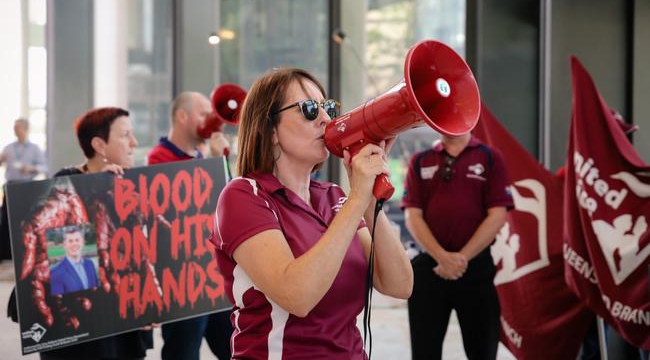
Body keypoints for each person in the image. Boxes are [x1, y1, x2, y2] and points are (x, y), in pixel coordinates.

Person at [211, 67, 413, 359]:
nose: (326, 120)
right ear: (270, 130)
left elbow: (399, 284)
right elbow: (298, 296)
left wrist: (368, 200)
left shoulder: (334, 197)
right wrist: (357, 198)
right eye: (308, 109)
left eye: (328, 107)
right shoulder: (243, 196)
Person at [39, 107, 153, 360]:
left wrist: (148, 304)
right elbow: (65, 260)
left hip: (124, 328)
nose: (134, 143)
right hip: (81, 335)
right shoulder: (63, 184)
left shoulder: (134, 185)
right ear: (100, 145)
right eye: (125, 135)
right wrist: (96, 191)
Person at [402, 132, 513, 360]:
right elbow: (413, 216)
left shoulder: (490, 158)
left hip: (476, 270)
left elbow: (497, 215)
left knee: (483, 351)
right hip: (429, 269)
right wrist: (442, 257)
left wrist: (461, 258)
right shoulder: (420, 160)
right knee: (424, 352)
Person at [147, 91, 233, 360]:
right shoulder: (158, 159)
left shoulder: (201, 157)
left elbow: (228, 201)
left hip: (214, 278)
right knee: (183, 352)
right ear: (182, 117)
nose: (211, 120)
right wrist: (213, 163)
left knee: (236, 349)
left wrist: (221, 161)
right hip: (183, 283)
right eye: (203, 114)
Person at [0, 118, 47, 261]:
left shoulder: (35, 149)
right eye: (14, 127)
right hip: (10, 186)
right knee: (6, 220)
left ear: (25, 129)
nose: (15, 130)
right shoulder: (8, 148)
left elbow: (45, 167)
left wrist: (31, 168)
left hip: (27, 187)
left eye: (18, 127)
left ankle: (25, 256)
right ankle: (6, 255)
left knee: (25, 221)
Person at [50, 225, 99, 295]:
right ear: (64, 245)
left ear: (83, 243)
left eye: (77, 240)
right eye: (70, 241)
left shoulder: (90, 264)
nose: (74, 244)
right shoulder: (56, 272)